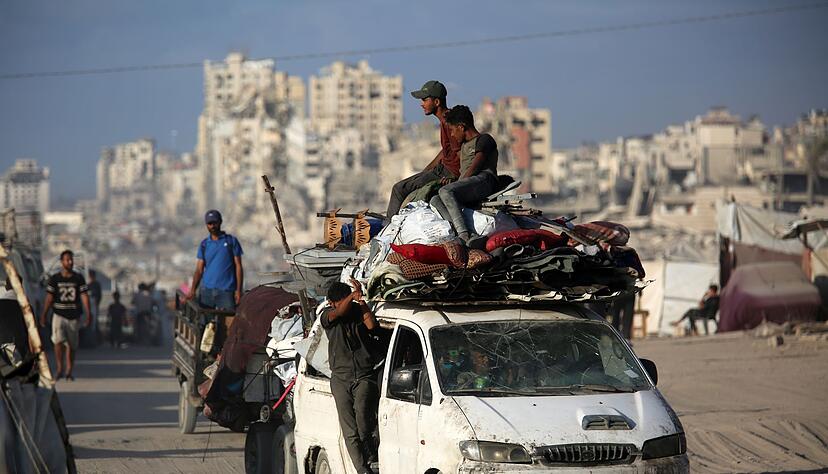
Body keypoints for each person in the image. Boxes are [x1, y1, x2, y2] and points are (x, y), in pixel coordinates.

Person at [320, 279, 380, 474]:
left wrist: (361, 302)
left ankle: (369, 452)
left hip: (363, 374)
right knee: (350, 432)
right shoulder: (327, 316)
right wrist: (350, 298)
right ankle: (362, 469)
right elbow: (338, 313)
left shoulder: (356, 310)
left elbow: (371, 325)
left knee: (363, 420)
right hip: (341, 378)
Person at [385, 80, 461, 219]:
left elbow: (461, 152)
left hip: (446, 173)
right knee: (410, 187)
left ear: (437, 102)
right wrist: (425, 171)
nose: (422, 104)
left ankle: (387, 229)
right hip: (442, 170)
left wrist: (455, 178)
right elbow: (446, 151)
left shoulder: (450, 122)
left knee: (398, 189)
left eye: (425, 100)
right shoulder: (445, 121)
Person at [429, 105, 499, 247]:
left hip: (484, 180)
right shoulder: (464, 146)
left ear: (461, 127)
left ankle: (463, 235)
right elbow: (465, 173)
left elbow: (474, 168)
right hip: (471, 181)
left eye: (453, 130)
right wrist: (455, 182)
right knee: (435, 200)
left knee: (446, 191)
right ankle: (470, 234)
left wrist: (456, 185)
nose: (453, 135)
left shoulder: (484, 140)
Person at [39, 250, 92, 380]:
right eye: (67, 260)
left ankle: (69, 370)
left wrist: (88, 313)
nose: (70, 262)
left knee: (72, 345)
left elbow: (84, 296)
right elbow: (49, 298)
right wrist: (44, 314)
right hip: (59, 315)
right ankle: (59, 368)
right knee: (57, 342)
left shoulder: (78, 278)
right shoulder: (55, 279)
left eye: (71, 260)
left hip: (74, 316)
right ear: (62, 262)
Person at [183, 210, 244, 310]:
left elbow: (238, 267)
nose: (212, 226)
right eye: (209, 223)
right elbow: (199, 270)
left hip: (226, 291)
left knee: (228, 322)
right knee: (206, 323)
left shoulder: (231, 241)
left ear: (220, 222)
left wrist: (238, 290)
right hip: (207, 291)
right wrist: (193, 290)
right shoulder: (204, 244)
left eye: (214, 223)